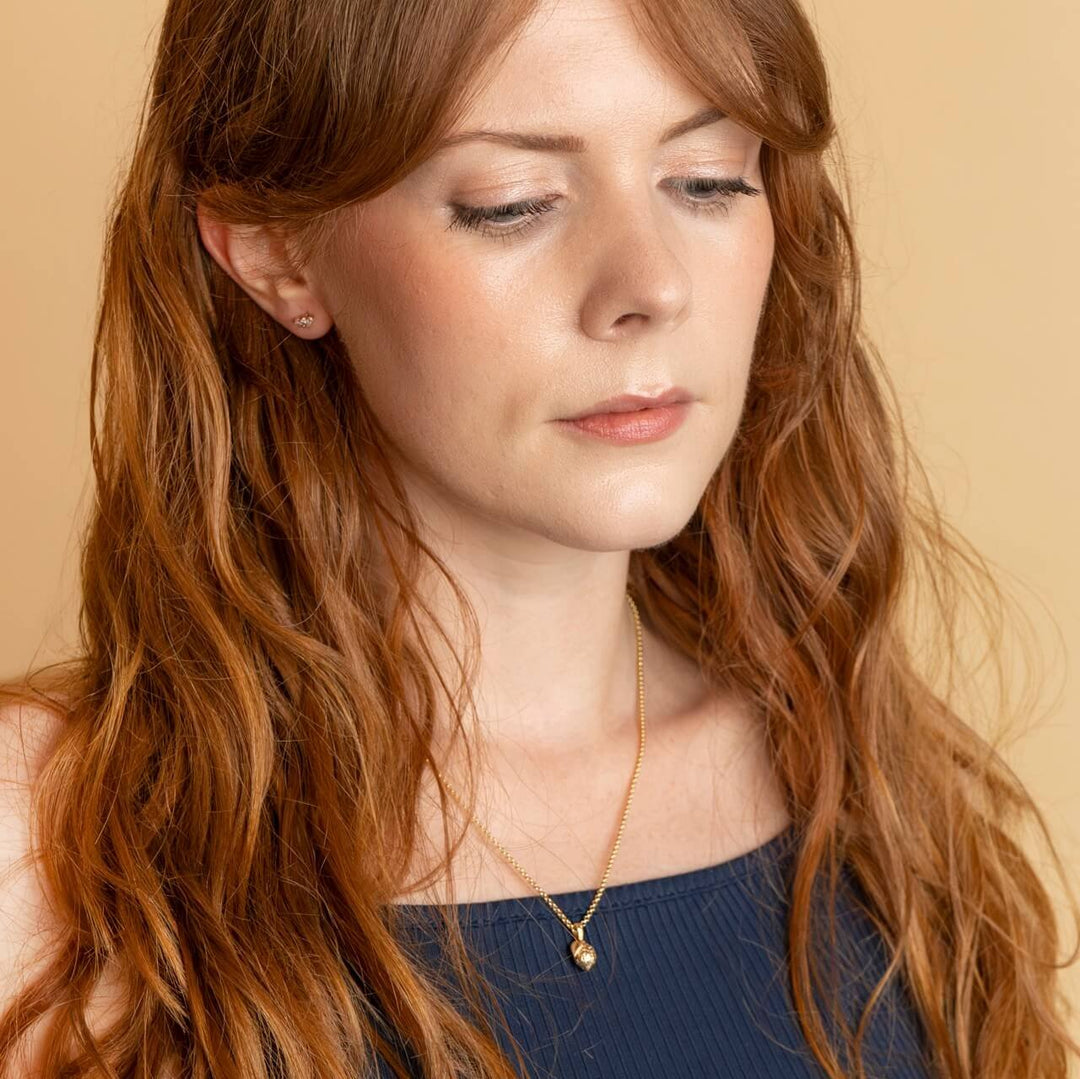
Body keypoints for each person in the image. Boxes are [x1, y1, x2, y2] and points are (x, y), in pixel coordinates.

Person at [1, 0, 1077, 1074]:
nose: (651, 286)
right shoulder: (41, 853)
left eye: (707, 181)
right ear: (277, 253)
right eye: (511, 203)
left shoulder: (870, 785)